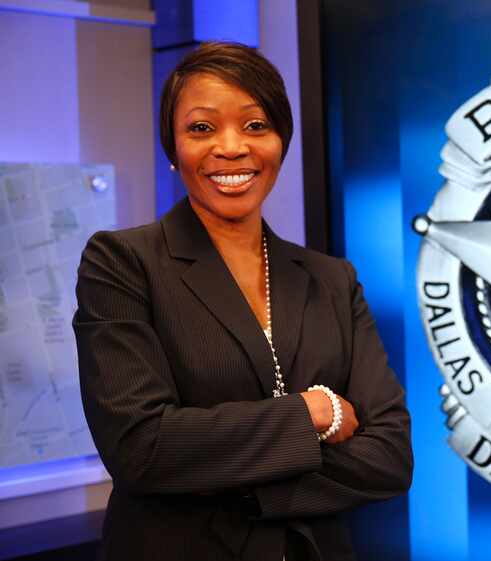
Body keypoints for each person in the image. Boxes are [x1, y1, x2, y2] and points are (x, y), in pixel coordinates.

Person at [72, 41, 413, 561]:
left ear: (281, 140)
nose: (231, 148)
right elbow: (142, 448)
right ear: (172, 147)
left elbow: (389, 458)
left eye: (256, 126)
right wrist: (312, 412)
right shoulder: (123, 262)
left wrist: (229, 477)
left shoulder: (332, 279)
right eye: (201, 128)